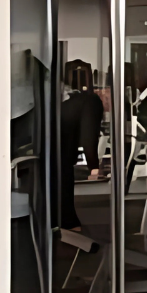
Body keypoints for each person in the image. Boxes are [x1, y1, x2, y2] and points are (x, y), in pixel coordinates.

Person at [58, 59, 104, 232]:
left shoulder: (65, 96)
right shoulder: (90, 102)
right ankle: (70, 226)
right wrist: (94, 168)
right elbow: (88, 139)